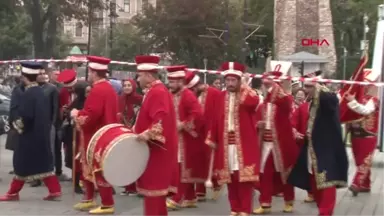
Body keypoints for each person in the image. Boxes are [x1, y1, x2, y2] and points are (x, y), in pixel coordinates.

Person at [0, 62, 62, 201]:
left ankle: (12, 193)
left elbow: (26, 115)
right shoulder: (41, 91)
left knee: (21, 164)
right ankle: (55, 190)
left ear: (24, 76)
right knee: (44, 163)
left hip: (29, 135)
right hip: (41, 133)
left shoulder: (28, 93)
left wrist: (18, 126)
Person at [288, 75, 348, 216]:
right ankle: (322, 209)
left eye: (310, 86)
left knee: (326, 182)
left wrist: (319, 86)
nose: (307, 90)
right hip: (311, 149)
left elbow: (331, 102)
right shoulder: (310, 104)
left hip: (325, 150)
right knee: (315, 184)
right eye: (306, 86)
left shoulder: (328, 100)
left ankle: (325, 213)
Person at [206, 62, 260, 216]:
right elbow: (215, 119)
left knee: (243, 178)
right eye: (228, 80)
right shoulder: (221, 96)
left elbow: (253, 102)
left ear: (239, 81)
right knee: (229, 178)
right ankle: (235, 208)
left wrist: (244, 86)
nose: (230, 83)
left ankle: (244, 209)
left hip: (243, 144)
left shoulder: (247, 95)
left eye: (233, 80)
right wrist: (212, 139)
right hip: (225, 143)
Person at [71, 56, 119, 214]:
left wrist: (77, 114)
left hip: (96, 134)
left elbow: (92, 114)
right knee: (89, 167)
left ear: (94, 72)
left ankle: (107, 203)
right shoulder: (109, 88)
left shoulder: (98, 90)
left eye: (90, 72)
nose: (88, 75)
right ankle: (88, 197)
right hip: (103, 132)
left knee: (98, 169)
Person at [134, 55, 178, 216]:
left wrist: (147, 133)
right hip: (155, 149)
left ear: (148, 75)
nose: (137, 79)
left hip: (157, 150)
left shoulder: (157, 92)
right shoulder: (155, 91)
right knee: (155, 196)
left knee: (153, 193)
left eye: (139, 75)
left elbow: (160, 118)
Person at [253, 61, 298, 214]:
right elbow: (255, 121)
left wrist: (275, 84)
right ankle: (265, 203)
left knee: (285, 173)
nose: (267, 89)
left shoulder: (285, 101)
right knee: (265, 173)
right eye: (265, 86)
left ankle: (289, 201)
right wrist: (258, 125)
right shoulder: (262, 105)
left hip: (281, 145)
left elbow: (285, 102)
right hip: (265, 144)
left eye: (269, 86)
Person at [165, 66, 204, 210]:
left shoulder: (187, 95)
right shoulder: (171, 94)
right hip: (175, 137)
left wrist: (184, 125)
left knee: (182, 168)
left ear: (181, 81)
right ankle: (190, 197)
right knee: (178, 165)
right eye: (169, 82)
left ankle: (177, 198)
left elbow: (198, 114)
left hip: (187, 138)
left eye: (174, 82)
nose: (171, 85)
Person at [184, 71, 222, 201]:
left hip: (209, 130)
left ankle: (216, 183)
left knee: (208, 158)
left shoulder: (214, 93)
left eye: (193, 89)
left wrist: (215, 131)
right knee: (196, 159)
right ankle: (200, 190)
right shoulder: (192, 95)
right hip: (196, 131)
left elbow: (219, 113)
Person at [344, 70, 379, 196]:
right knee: (359, 161)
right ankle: (366, 184)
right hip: (355, 135)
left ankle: (356, 184)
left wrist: (352, 102)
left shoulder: (373, 100)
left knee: (364, 161)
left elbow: (365, 111)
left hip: (368, 135)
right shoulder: (356, 97)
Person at [57, 69, 84, 194]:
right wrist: (64, 112)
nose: (69, 90)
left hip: (81, 128)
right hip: (69, 128)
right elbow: (60, 109)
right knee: (70, 155)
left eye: (71, 88)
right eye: (67, 88)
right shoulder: (62, 92)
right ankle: (75, 177)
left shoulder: (83, 89)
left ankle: (80, 178)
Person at [118, 78, 143, 196]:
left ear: (133, 86)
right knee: (125, 160)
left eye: (129, 85)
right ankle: (128, 186)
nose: (127, 87)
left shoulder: (139, 99)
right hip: (123, 132)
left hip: (136, 133)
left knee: (134, 160)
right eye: (125, 85)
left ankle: (135, 187)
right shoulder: (120, 99)